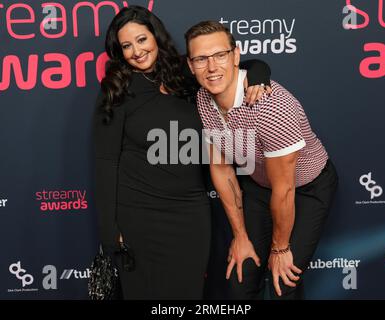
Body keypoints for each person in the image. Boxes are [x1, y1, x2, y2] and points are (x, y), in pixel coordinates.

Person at [93, 6, 271, 299]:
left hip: (190, 213)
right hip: (139, 216)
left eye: (141, 39)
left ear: (155, 36)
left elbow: (251, 65)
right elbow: (105, 162)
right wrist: (110, 231)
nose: (137, 51)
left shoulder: (185, 73)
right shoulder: (115, 90)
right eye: (127, 45)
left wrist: (260, 78)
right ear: (119, 51)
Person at [185, 20, 338, 300]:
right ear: (190, 64)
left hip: (306, 188)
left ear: (236, 55)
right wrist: (240, 236)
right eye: (201, 59)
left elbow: (285, 189)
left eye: (220, 55)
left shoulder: (271, 108)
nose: (211, 67)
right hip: (258, 184)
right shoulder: (203, 99)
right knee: (241, 278)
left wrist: (280, 250)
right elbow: (221, 169)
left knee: (283, 282)